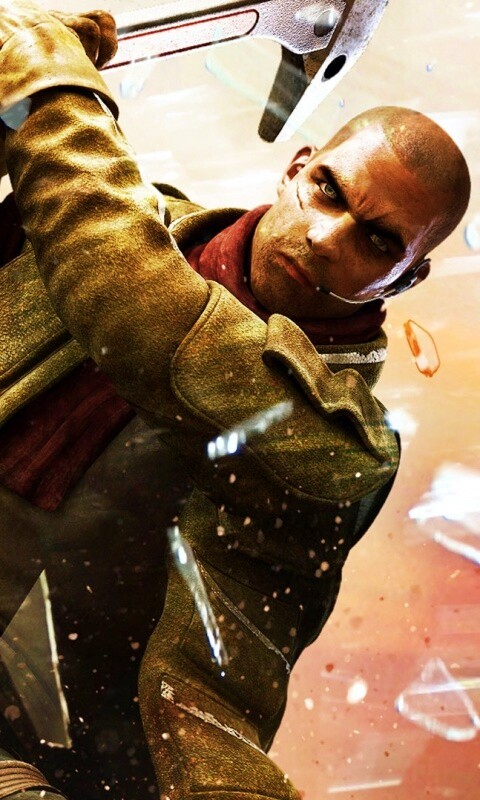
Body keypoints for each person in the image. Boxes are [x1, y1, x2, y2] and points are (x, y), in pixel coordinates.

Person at [0, 3, 471, 800]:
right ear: (297, 168)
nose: (324, 237)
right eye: (328, 190)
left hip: (56, 754)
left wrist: (49, 86)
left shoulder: (341, 445)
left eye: (377, 241)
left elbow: (140, 315)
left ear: (405, 279)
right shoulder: (132, 214)